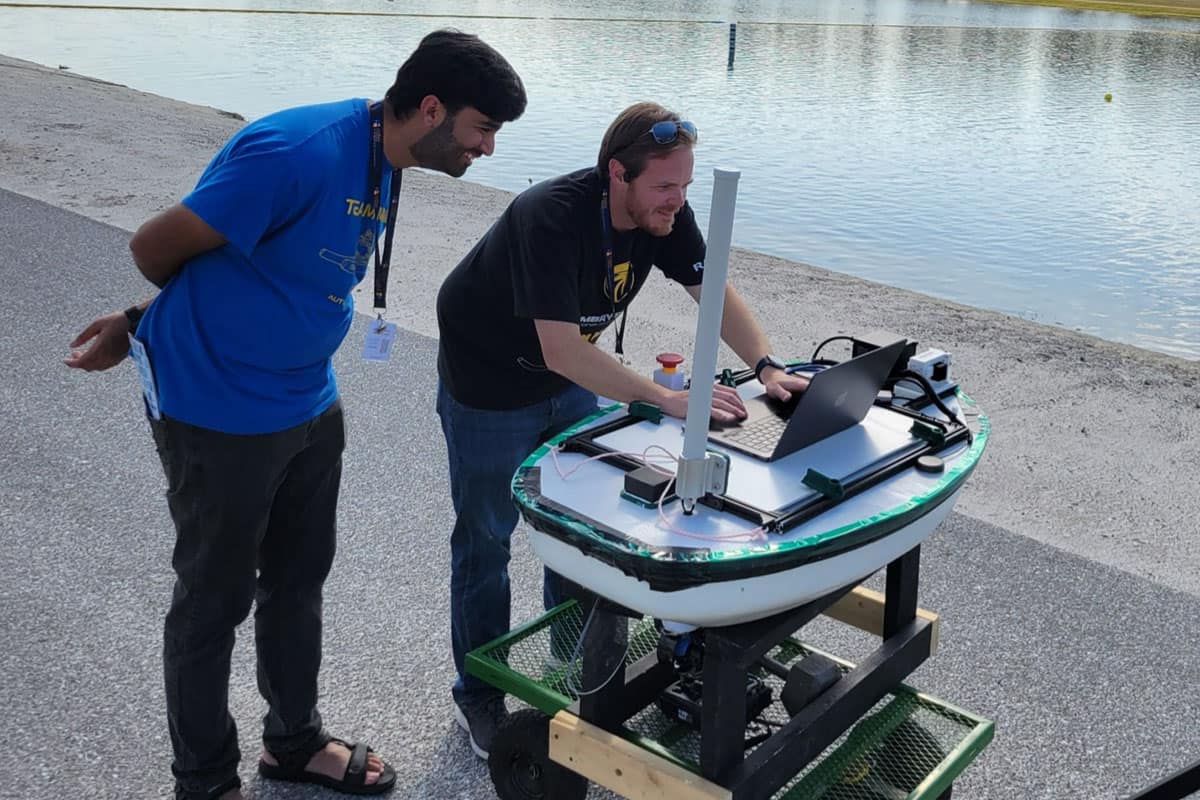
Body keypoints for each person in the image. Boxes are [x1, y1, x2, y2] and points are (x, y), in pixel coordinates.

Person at [63, 29, 526, 800]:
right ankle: (205, 780)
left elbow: (269, 265)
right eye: (483, 129)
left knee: (298, 579)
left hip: (306, 395)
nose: (487, 148)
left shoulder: (386, 157)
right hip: (218, 402)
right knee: (214, 599)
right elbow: (154, 246)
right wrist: (146, 316)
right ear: (431, 108)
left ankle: (293, 742)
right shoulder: (296, 151)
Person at [434, 101, 811, 758]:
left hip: (566, 376)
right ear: (617, 172)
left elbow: (713, 290)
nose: (678, 200)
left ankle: (572, 669)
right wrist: (664, 399)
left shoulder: (664, 212)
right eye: (666, 186)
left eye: (685, 185)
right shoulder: (550, 216)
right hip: (488, 386)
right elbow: (561, 349)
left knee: (580, 528)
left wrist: (768, 365)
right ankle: (479, 697)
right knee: (486, 542)